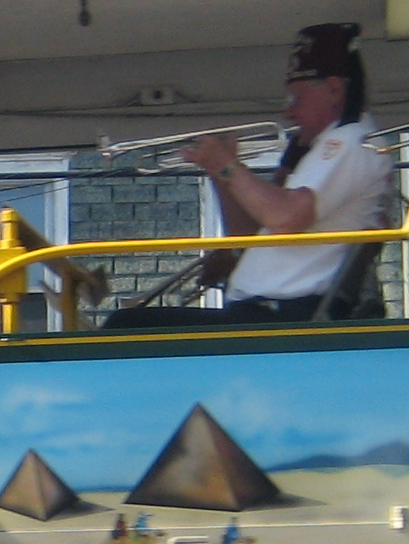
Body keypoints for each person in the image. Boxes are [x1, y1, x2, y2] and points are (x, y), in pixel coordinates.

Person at [106, 24, 391, 327]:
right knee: (126, 324)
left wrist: (229, 166)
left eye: (296, 99)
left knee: (125, 326)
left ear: (333, 90)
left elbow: (286, 217)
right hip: (265, 313)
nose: (289, 113)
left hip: (286, 316)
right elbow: (246, 234)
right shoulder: (328, 146)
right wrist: (220, 174)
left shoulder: (350, 141)